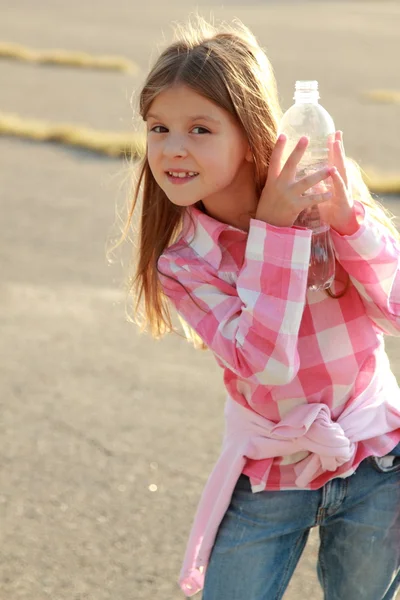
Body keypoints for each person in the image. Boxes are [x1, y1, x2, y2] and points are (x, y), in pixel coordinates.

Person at [117, 16, 400, 600]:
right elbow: (267, 363)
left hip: (376, 461)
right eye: (158, 128)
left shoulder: (324, 197)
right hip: (270, 471)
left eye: (199, 129)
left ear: (249, 137)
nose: (172, 148)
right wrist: (274, 235)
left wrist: (349, 223)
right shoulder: (186, 264)